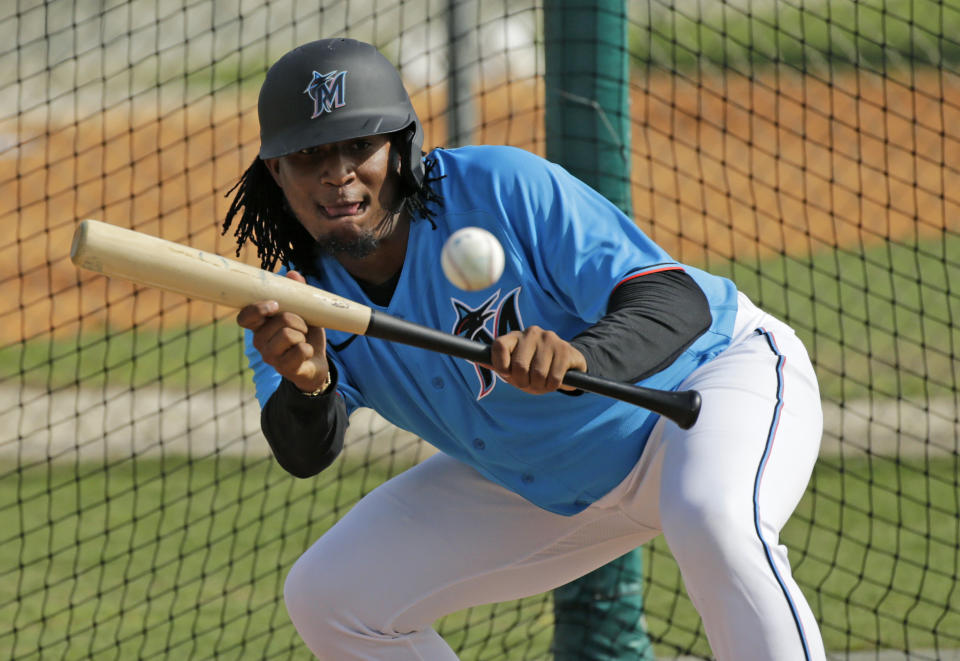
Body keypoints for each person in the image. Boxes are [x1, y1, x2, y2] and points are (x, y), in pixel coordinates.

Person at [223, 37, 826, 660]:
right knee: (331, 597)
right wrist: (309, 383)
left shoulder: (498, 185)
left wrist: (580, 357)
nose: (337, 172)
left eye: (359, 146)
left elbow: (674, 300)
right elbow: (303, 451)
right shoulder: (293, 299)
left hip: (705, 396)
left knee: (713, 519)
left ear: (401, 146)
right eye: (310, 154)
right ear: (276, 171)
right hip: (542, 482)